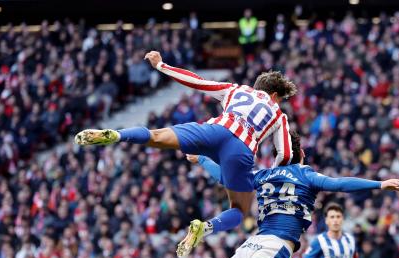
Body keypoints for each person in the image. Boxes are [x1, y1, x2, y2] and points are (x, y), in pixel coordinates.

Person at [122, 133, 399, 258]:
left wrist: (201, 158)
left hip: (253, 243)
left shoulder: (263, 174)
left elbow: (224, 177)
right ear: (302, 153)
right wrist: (379, 184)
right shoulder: (306, 174)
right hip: (276, 246)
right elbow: (339, 184)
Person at [75, 50, 297, 241]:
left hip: (213, 131)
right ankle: (206, 227)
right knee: (240, 210)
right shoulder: (279, 114)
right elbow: (286, 155)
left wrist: (161, 65)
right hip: (241, 151)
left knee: (157, 136)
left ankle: (116, 135)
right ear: (275, 95)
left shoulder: (236, 89)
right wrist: (271, 176)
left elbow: (196, 81)